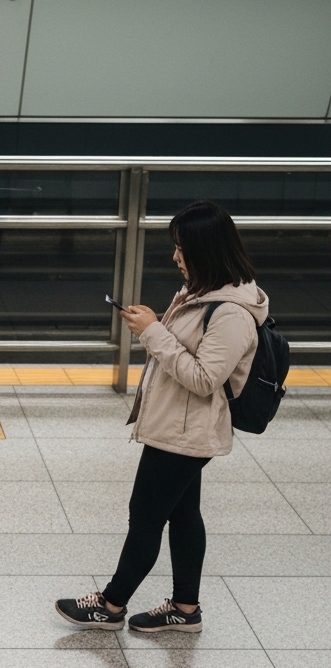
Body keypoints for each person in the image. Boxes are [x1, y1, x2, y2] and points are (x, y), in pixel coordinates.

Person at [56, 200, 268, 633]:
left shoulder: (230, 313)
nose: (175, 256)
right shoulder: (199, 294)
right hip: (178, 423)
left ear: (207, 250)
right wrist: (152, 325)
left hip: (185, 432)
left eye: (182, 248)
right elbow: (180, 351)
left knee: (146, 516)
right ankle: (185, 609)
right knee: (183, 513)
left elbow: (205, 378)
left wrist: (153, 332)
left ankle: (111, 605)